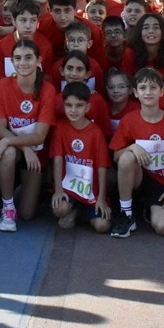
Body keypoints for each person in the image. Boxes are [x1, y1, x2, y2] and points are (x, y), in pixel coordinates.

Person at [109, 67, 164, 238]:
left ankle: (148, 211)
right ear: (135, 92)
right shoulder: (129, 120)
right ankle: (126, 214)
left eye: (153, 87)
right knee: (127, 157)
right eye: (143, 88)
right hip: (137, 178)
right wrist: (132, 147)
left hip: (162, 182)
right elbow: (116, 156)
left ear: (162, 91)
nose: (148, 92)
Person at [0, 40, 56, 231]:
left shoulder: (47, 89)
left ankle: (13, 189)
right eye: (18, 58)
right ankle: (8, 207)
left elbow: (40, 136)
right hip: (15, 150)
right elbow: (0, 129)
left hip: (36, 153)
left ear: (38, 60)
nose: (23, 62)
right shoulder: (3, 85)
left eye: (28, 57)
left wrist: (15, 142)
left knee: (27, 214)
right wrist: (23, 147)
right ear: (12, 61)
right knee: (8, 152)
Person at [50, 82, 113, 233]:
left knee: (102, 226)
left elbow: (102, 167)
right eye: (69, 105)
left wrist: (102, 198)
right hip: (69, 189)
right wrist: (58, 190)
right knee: (59, 210)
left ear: (87, 107)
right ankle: (73, 209)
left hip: (92, 191)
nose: (73, 110)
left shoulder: (96, 132)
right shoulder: (60, 128)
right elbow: (57, 159)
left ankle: (83, 212)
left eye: (79, 105)